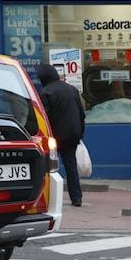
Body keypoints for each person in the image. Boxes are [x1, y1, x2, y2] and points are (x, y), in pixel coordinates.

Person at [36, 64, 87, 207]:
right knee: (71, 166)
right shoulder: (72, 89)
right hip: (72, 134)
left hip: (53, 137)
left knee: (47, 167)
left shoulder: (46, 93)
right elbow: (81, 114)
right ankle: (76, 198)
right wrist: (80, 132)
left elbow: (44, 118)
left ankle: (46, 197)